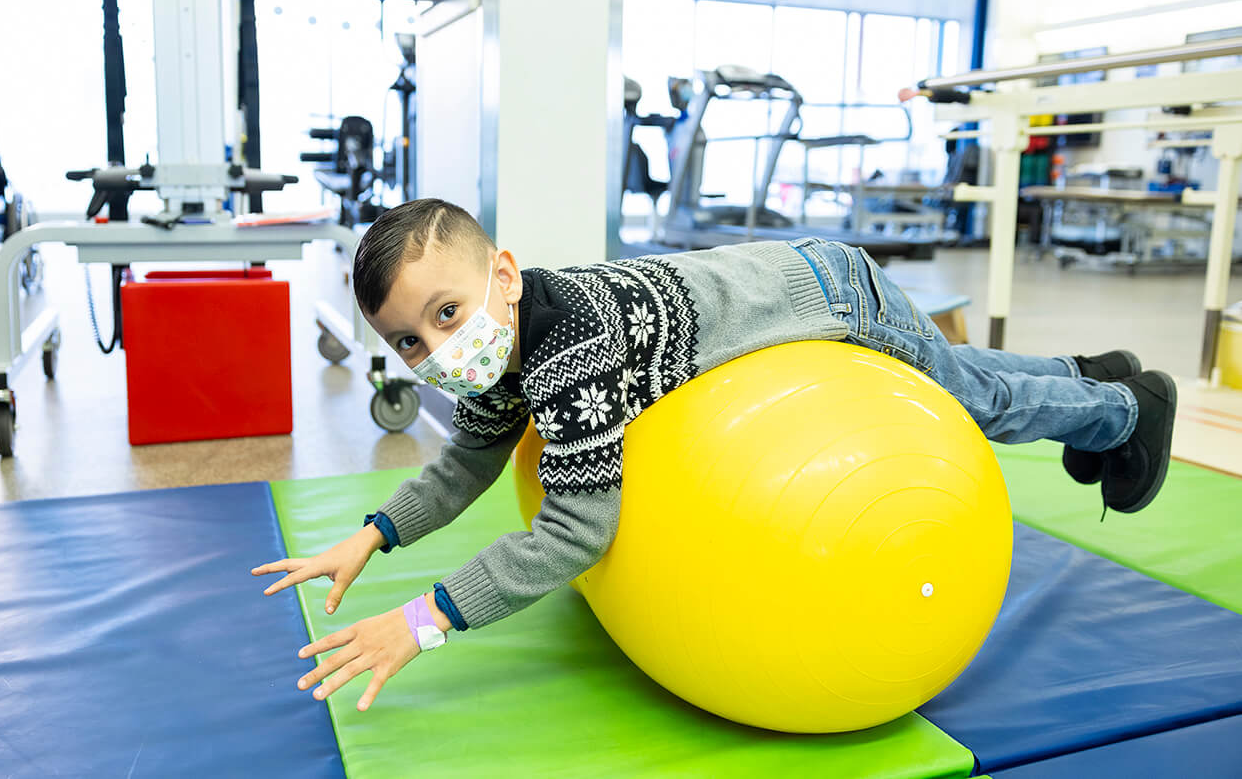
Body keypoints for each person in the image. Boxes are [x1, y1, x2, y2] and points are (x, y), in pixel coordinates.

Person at [251, 197, 1176, 710]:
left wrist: (419, 622)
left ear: (503, 273)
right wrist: (374, 534)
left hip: (829, 295)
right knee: (975, 378)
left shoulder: (570, 341)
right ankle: (1093, 376)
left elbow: (577, 531)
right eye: (411, 341)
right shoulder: (500, 348)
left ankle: (1126, 411)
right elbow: (467, 464)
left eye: (445, 314)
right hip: (780, 291)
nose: (438, 349)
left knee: (974, 404)